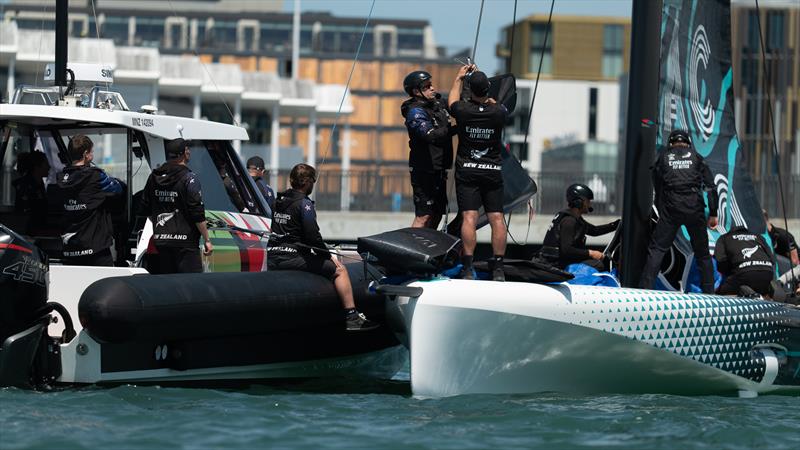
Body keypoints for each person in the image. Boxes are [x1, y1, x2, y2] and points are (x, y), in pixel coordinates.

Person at [268, 164, 379, 331]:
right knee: (340, 270)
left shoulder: (279, 200)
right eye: (313, 181)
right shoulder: (304, 204)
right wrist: (328, 255)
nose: (313, 184)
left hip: (272, 255)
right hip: (291, 257)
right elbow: (313, 236)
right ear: (306, 182)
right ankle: (352, 316)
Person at [639, 130, 719, 294]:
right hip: (694, 206)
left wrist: (661, 209)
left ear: (671, 143)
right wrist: (713, 213)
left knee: (658, 249)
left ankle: (644, 291)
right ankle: (710, 294)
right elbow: (711, 187)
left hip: (671, 207)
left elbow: (658, 186)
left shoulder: (663, 157)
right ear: (688, 143)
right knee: (703, 254)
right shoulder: (697, 157)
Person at [448, 66, 508, 281]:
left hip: (468, 171)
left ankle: (467, 268)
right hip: (492, 171)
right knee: (497, 218)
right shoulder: (498, 112)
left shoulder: (463, 111)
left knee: (469, 217)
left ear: (470, 90)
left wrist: (459, 77)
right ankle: (499, 269)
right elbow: (498, 105)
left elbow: (451, 102)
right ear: (488, 90)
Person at [139, 138, 213, 274]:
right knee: (190, 287)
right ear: (184, 153)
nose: (189, 152)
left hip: (161, 243)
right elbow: (197, 212)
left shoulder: (154, 177)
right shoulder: (190, 178)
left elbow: (145, 207)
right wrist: (207, 239)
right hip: (186, 244)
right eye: (187, 149)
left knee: (166, 287)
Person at [57, 135, 124, 266]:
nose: (92, 154)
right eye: (92, 151)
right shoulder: (96, 176)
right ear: (86, 154)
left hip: (71, 247)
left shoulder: (61, 178)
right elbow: (117, 189)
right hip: (95, 247)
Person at [401, 69, 456, 229]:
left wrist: (461, 78)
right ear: (416, 92)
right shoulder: (415, 112)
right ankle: (410, 252)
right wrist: (455, 129)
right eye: (426, 86)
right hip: (424, 170)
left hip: (439, 169)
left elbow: (457, 101)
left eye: (431, 85)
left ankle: (428, 248)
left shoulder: (438, 105)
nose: (432, 88)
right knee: (423, 215)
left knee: (437, 213)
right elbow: (430, 135)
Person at [540, 184, 619, 271]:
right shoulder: (569, 221)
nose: (589, 204)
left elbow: (594, 230)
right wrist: (591, 253)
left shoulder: (576, 219)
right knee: (599, 265)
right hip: (555, 264)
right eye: (587, 201)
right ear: (579, 202)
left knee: (600, 262)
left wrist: (615, 225)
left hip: (562, 261)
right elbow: (566, 250)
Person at [713, 226, 774, 296]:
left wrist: (730, 271)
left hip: (743, 275)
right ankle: (768, 291)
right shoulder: (758, 237)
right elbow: (772, 260)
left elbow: (720, 260)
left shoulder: (724, 238)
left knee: (720, 291)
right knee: (762, 288)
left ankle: (745, 291)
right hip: (767, 274)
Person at [13, 151, 50, 235]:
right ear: (37, 167)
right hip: (29, 232)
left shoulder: (39, 185)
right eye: (45, 164)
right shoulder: (24, 187)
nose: (49, 167)